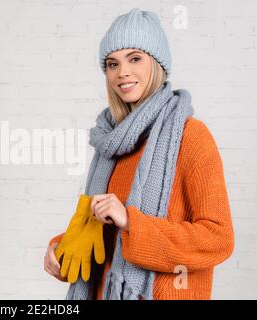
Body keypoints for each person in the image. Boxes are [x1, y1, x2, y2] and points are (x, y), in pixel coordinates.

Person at [43, 8, 235, 300]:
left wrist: (132, 222)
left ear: (157, 64)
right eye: (112, 63)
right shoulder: (109, 142)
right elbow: (102, 237)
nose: (123, 73)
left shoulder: (190, 136)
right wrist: (62, 246)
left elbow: (218, 239)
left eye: (135, 58)